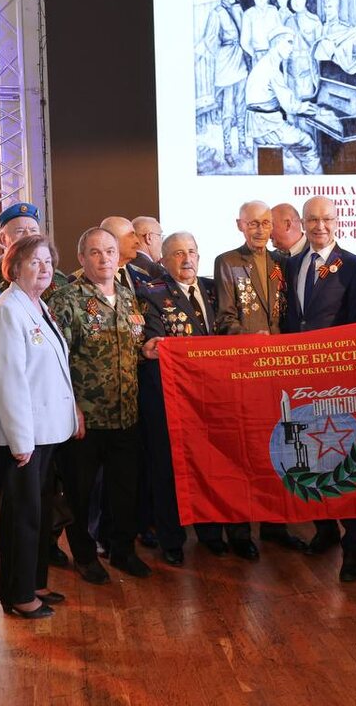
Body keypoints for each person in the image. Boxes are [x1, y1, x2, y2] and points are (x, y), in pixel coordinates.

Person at [137, 232, 256, 563]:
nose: (187, 258)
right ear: (164, 261)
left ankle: (226, 534)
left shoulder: (215, 289)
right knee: (170, 469)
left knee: (224, 465)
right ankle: (172, 541)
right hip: (175, 399)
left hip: (219, 397)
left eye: (191, 251)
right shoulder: (151, 294)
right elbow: (155, 342)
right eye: (178, 253)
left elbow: (231, 329)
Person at [0, 234, 79, 618]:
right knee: (21, 518)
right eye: (34, 261)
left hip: (47, 432)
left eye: (48, 262)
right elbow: (9, 381)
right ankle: (18, 594)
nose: (44, 269)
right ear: (14, 267)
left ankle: (35, 583)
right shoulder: (7, 311)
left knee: (38, 514)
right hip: (24, 439)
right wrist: (20, 440)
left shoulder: (38, 306)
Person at [48, 228, 151, 582]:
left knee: (124, 490)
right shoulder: (66, 299)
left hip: (125, 415)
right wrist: (71, 408)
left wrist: (147, 350)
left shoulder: (127, 296)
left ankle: (122, 551)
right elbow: (55, 361)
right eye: (95, 252)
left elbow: (131, 347)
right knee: (80, 493)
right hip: (85, 419)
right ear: (82, 258)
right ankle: (85, 556)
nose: (104, 258)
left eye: (109, 251)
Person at [282, 196, 356, 571]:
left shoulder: (354, 266)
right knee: (308, 455)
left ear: (338, 221)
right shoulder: (290, 264)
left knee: (343, 456)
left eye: (327, 219)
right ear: (302, 223)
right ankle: (325, 529)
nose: (320, 226)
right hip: (299, 378)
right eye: (312, 219)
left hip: (338, 381)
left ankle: (354, 543)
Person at [214, 201, 305, 552]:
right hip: (245, 368)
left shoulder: (282, 263)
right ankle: (240, 533)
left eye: (266, 223)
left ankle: (275, 524)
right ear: (240, 225)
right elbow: (224, 319)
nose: (260, 229)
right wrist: (252, 339)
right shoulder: (227, 262)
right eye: (253, 223)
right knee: (243, 449)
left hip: (279, 372)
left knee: (280, 446)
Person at [245, 26, 322, 174]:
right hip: (268, 126)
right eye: (289, 42)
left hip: (259, 124)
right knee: (308, 145)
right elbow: (290, 106)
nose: (292, 48)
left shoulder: (264, 63)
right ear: (277, 43)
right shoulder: (272, 70)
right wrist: (307, 107)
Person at [198, 0, 249, 167]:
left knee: (241, 106)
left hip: (240, 63)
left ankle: (243, 146)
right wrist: (222, 53)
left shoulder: (238, 9)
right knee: (228, 110)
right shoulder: (216, 13)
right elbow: (210, 41)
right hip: (226, 65)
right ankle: (228, 151)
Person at [283, 0, 323, 102]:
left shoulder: (315, 22)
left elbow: (320, 52)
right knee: (291, 106)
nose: (294, 1)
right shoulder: (288, 22)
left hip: (307, 74)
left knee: (306, 106)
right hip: (291, 73)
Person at [100, 215, 152, 293]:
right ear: (111, 240)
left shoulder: (143, 276)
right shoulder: (88, 278)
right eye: (131, 235)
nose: (137, 241)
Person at [240, 0, 281, 64]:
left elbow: (280, 34)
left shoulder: (273, 11)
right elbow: (244, 42)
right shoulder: (248, 14)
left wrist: (275, 52)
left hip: (273, 55)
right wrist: (254, 55)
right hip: (257, 56)